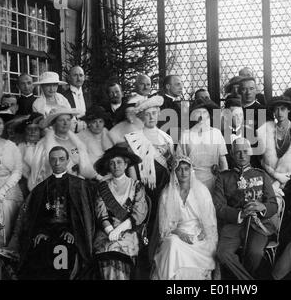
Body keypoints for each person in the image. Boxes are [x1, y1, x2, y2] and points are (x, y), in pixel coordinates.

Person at [16, 146, 96, 280]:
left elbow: (85, 217)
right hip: (47, 232)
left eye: (61, 159)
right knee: (38, 250)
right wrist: (41, 231)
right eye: (53, 160)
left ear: (68, 160)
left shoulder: (80, 186)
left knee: (62, 250)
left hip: (70, 233)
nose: (57, 163)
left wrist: (73, 232)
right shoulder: (41, 188)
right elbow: (35, 216)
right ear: (49, 161)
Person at [213, 138, 278, 280]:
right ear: (231, 154)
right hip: (233, 225)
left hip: (258, 225)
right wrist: (240, 214)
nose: (242, 156)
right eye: (238, 153)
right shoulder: (223, 178)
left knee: (255, 253)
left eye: (245, 152)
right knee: (223, 253)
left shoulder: (261, 175)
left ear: (250, 153)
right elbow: (218, 207)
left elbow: (273, 204)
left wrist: (262, 207)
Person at [257, 96, 291, 250]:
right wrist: (275, 176)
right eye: (276, 109)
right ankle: (271, 234)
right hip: (271, 173)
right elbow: (262, 160)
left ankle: (290, 237)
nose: (279, 112)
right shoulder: (267, 131)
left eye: (283, 109)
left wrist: (284, 177)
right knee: (269, 198)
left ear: (288, 110)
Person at [125, 95, 174, 263]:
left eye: (154, 113)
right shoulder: (134, 138)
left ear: (159, 113)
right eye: (147, 114)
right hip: (146, 188)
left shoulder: (167, 138)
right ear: (142, 117)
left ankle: (163, 257)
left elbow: (172, 164)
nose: (152, 117)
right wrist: (137, 190)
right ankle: (147, 258)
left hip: (165, 186)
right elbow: (131, 167)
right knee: (148, 223)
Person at [153, 155, 218, 280]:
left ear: (191, 170)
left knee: (203, 245)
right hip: (176, 233)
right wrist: (179, 233)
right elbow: (165, 225)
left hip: (197, 233)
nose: (183, 172)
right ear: (174, 172)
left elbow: (209, 220)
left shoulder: (201, 190)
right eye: (179, 169)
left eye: (186, 169)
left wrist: (204, 233)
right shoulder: (167, 193)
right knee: (172, 244)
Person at [93, 145, 148, 280]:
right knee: (108, 250)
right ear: (108, 166)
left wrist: (119, 231)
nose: (115, 166)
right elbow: (101, 213)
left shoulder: (137, 186)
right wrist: (111, 231)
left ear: (126, 164)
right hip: (107, 233)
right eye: (112, 163)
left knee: (119, 252)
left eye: (119, 162)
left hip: (129, 231)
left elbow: (139, 214)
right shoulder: (103, 187)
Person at [28, 107, 95, 191]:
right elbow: (39, 171)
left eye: (68, 120)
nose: (65, 123)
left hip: (78, 186)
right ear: (54, 123)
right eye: (61, 120)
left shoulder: (77, 141)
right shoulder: (44, 145)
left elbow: (86, 166)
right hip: (55, 187)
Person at [177, 98, 228, 193]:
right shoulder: (186, 135)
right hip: (192, 180)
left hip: (213, 180)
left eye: (204, 112)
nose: (201, 116)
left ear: (209, 115)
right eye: (198, 112)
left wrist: (224, 182)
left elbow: (223, 161)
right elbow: (180, 161)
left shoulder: (216, 133)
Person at [0, 112, 23, 247]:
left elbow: (17, 170)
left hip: (8, 186)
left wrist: (3, 190)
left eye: (0, 123)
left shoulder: (11, 146)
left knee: (7, 209)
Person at [221, 96, 260, 169]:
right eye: (235, 115)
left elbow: (255, 159)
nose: (239, 118)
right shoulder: (220, 135)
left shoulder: (251, 132)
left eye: (241, 114)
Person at [78, 106, 113, 178]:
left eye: (100, 121)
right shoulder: (81, 137)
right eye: (94, 122)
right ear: (88, 123)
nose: (98, 125)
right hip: (90, 174)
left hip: (109, 172)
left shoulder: (106, 132)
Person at [15, 112, 44, 196]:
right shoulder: (20, 147)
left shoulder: (44, 145)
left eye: (35, 129)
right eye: (29, 129)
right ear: (25, 131)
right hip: (24, 182)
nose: (32, 132)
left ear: (40, 132)